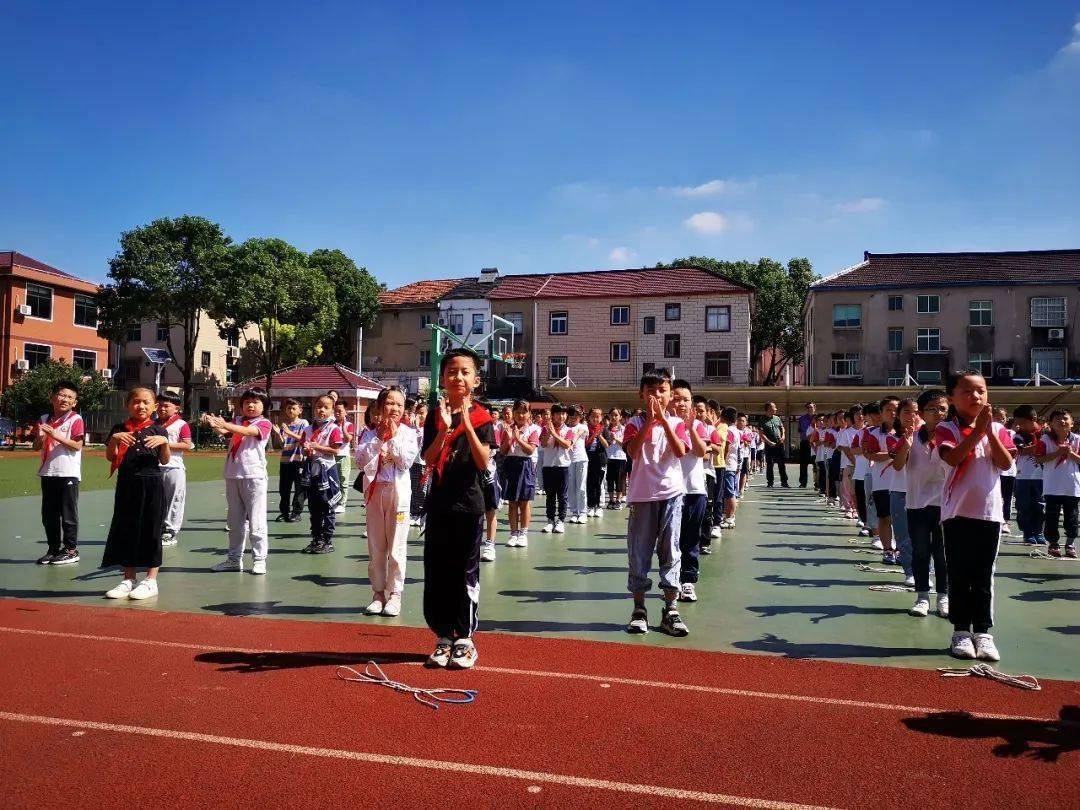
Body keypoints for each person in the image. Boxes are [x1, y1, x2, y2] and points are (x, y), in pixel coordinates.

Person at [420, 347, 495, 669]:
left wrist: (464, 420)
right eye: (451, 371)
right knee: (438, 572)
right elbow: (429, 458)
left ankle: (465, 638)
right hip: (439, 504)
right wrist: (443, 430)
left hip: (469, 505)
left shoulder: (483, 417)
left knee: (465, 572)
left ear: (476, 380)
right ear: (442, 378)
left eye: (465, 371)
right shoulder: (435, 415)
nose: (458, 377)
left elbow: (483, 460)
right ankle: (443, 637)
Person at [936, 371, 1015, 662]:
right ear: (952, 398)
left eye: (981, 390)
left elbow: (1005, 463)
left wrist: (989, 432)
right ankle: (960, 630)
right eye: (967, 391)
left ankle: (983, 632)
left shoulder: (998, 428)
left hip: (989, 514)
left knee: (983, 575)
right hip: (956, 513)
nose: (976, 397)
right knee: (959, 573)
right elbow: (953, 458)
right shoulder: (947, 429)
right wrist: (978, 433)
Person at [623, 369, 689, 636]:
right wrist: (651, 422)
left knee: (671, 551)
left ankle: (671, 610)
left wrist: (663, 420)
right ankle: (639, 609)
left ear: (670, 394)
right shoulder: (634, 424)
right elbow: (632, 451)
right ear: (641, 395)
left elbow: (681, 451)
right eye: (651, 391)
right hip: (642, 496)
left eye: (662, 391)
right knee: (639, 553)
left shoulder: (677, 423)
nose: (657, 396)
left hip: (671, 494)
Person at [102, 388, 171, 600]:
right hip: (127, 483)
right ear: (127, 405)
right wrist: (115, 439)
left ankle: (151, 580)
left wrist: (165, 443)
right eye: (136, 401)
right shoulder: (120, 428)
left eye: (146, 402)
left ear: (154, 406)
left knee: (151, 530)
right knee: (127, 528)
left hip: (152, 484)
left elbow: (165, 460)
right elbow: (109, 457)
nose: (140, 406)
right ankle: (128, 578)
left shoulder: (158, 430)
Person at [356, 386, 419, 616]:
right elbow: (360, 460)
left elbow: (404, 462)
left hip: (398, 493)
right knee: (376, 546)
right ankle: (378, 594)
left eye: (399, 405)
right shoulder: (368, 433)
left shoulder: (409, 433)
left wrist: (391, 439)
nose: (394, 408)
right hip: (374, 493)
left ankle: (395, 595)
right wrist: (378, 439)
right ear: (380, 406)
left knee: (396, 546)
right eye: (390, 403)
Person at [202, 388, 273, 574]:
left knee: (256, 521)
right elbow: (226, 431)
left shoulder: (264, 423)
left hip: (253, 475)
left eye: (255, 402)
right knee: (235, 522)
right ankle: (234, 559)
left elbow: (247, 431)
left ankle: (259, 560)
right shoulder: (237, 421)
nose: (250, 405)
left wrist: (225, 424)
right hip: (233, 474)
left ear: (264, 406)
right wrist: (212, 423)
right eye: (247, 401)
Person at [894, 389, 949, 619]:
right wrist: (906, 444)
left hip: (946, 505)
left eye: (943, 408)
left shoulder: (953, 436)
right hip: (917, 503)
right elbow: (898, 466)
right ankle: (922, 596)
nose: (938, 413)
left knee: (942, 553)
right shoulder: (911, 437)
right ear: (922, 413)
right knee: (920, 552)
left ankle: (944, 596)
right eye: (932, 409)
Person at [33, 382, 85, 565]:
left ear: (74, 402)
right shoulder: (44, 418)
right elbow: (36, 446)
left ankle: (71, 550)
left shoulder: (75, 419)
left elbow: (77, 445)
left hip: (68, 473)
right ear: (52, 397)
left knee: (68, 514)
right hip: (48, 472)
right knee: (49, 514)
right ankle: (53, 549)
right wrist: (40, 437)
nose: (65, 399)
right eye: (61, 395)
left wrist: (55, 435)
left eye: (70, 397)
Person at [671, 380, 710, 603]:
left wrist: (690, 428)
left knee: (691, 539)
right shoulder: (664, 424)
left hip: (694, 489)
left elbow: (701, 451)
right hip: (670, 491)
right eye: (677, 399)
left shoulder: (697, 425)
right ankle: (671, 578)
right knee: (671, 540)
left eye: (686, 400)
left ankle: (687, 581)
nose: (682, 403)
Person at [1035, 408, 1079, 558]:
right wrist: (1057, 453)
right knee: (1051, 517)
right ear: (1051, 424)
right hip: (1052, 487)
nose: (1062, 421)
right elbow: (1039, 459)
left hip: (1072, 487)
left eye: (1066, 418)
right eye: (1058, 419)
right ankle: (1053, 543)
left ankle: (1070, 543)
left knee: (1072, 517)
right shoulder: (1044, 440)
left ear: (1072, 423)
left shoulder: (1078, 440)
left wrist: (1071, 454)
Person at [302, 395, 344, 554]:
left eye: (326, 407)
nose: (322, 410)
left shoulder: (333, 429)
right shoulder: (307, 429)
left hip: (327, 472)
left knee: (328, 506)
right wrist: (307, 450)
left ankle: (327, 540)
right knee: (313, 507)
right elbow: (304, 450)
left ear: (332, 410)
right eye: (319, 406)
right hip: (312, 472)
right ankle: (316, 539)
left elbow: (335, 450)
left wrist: (317, 446)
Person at [862, 397, 900, 565]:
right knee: (885, 517)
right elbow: (870, 454)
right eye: (888, 410)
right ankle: (888, 550)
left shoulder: (910, 432)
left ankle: (901, 550)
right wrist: (892, 454)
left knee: (902, 519)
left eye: (896, 409)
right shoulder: (873, 433)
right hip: (882, 482)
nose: (893, 413)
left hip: (906, 483)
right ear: (882, 413)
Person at [501, 399, 541, 548]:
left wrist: (518, 438)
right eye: (517, 412)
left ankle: (523, 534)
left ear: (529, 413)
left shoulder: (533, 430)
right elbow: (503, 450)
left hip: (525, 465)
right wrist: (511, 437)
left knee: (524, 502)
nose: (520, 415)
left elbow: (530, 450)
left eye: (524, 412)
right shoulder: (507, 429)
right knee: (512, 502)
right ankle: (513, 533)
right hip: (511, 464)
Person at [156, 391, 193, 547]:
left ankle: (170, 531)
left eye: (166, 406)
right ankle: (157, 528)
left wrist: (164, 443)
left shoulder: (181, 424)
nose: (162, 409)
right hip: (155, 467)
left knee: (174, 500)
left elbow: (187, 444)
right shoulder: (153, 423)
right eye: (159, 405)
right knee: (157, 500)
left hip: (174, 467)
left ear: (176, 408)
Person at [889, 399, 917, 584]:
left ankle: (925, 569)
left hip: (924, 491)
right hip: (900, 490)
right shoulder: (892, 437)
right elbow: (898, 465)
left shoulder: (930, 434)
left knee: (925, 536)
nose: (911, 416)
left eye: (915, 412)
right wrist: (906, 446)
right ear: (898, 416)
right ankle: (910, 571)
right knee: (903, 535)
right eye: (906, 412)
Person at [1012, 405, 1046, 545]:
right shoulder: (1018, 435)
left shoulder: (1046, 433)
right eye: (1017, 423)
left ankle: (1039, 532)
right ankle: (1027, 532)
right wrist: (1042, 447)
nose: (1019, 426)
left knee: (1040, 505)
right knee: (1023, 506)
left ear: (1034, 419)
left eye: (1022, 422)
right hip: (1022, 476)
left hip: (1042, 476)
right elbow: (1022, 451)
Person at [273, 398, 309, 523]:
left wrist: (289, 432)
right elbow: (282, 444)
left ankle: (296, 512)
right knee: (284, 488)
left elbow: (304, 439)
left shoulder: (304, 423)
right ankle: (284, 512)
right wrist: (278, 433)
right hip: (285, 460)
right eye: (288, 408)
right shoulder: (285, 424)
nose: (290, 411)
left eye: (294, 408)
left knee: (299, 488)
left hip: (299, 460)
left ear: (300, 410)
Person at [541, 405, 572, 533]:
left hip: (563, 466)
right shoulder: (544, 428)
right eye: (559, 413)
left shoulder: (569, 430)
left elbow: (566, 445)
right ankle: (550, 520)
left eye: (564, 414)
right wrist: (549, 432)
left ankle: (560, 520)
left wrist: (554, 434)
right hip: (548, 465)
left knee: (562, 495)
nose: (562, 416)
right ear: (553, 415)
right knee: (550, 495)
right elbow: (543, 444)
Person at [994, 406, 1017, 535]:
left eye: (1002, 417)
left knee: (1008, 498)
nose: (1000, 419)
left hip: (1009, 471)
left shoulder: (1011, 433)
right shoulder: (990, 430)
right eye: (997, 417)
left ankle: (1006, 522)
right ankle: (997, 520)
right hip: (996, 471)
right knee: (997, 497)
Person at [565, 406, 589, 523]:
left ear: (580, 416)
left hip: (581, 459)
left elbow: (578, 434)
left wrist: (571, 443)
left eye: (576, 415)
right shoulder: (565, 428)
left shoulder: (583, 427)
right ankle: (574, 512)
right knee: (571, 488)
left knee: (581, 487)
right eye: (571, 414)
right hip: (568, 461)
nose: (573, 417)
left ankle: (583, 512)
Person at [584, 407, 609, 518]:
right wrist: (592, 434)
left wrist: (599, 435)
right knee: (589, 483)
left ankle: (598, 507)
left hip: (600, 459)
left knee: (598, 483)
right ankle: (590, 506)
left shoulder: (604, 429)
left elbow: (607, 445)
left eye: (598, 416)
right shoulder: (585, 429)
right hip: (588, 458)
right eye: (593, 416)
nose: (595, 418)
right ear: (589, 417)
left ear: (601, 417)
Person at [408, 400, 429, 526]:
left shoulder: (427, 428)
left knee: (422, 489)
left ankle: (421, 513)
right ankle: (414, 512)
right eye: (418, 413)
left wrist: (417, 427)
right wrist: (414, 426)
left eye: (422, 413)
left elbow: (422, 440)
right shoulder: (411, 428)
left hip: (424, 463)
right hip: (413, 462)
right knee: (413, 488)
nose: (420, 416)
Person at [333, 402, 356, 514]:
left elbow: (347, 439)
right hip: (332, 456)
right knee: (333, 481)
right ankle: (334, 502)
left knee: (343, 481)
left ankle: (342, 504)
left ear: (345, 412)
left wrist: (343, 428)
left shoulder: (349, 425)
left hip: (343, 457)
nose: (337, 413)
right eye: (335, 411)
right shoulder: (331, 424)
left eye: (340, 411)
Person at [760, 401, 789, 488]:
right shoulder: (762, 420)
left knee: (782, 464)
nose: (775, 409)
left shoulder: (777, 418)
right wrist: (769, 442)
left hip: (779, 444)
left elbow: (782, 428)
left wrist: (783, 436)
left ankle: (784, 482)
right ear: (768, 409)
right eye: (773, 408)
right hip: (769, 445)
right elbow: (761, 433)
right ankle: (770, 482)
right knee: (770, 464)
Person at [605, 408, 628, 510]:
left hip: (621, 457)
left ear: (620, 417)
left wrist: (615, 438)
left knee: (620, 480)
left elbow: (624, 444)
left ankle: (618, 500)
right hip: (609, 458)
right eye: (612, 415)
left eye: (616, 415)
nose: (613, 417)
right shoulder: (605, 429)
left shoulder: (624, 429)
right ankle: (611, 499)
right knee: (610, 479)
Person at [797, 402, 817, 487]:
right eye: (808, 407)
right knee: (803, 464)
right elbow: (800, 430)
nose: (809, 409)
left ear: (814, 408)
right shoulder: (801, 418)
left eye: (811, 407)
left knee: (816, 463)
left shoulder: (818, 418)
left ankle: (817, 483)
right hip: (805, 443)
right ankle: (803, 482)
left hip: (816, 443)